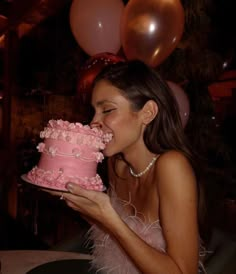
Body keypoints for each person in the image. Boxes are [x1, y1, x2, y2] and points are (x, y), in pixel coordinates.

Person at [55, 60, 205, 273]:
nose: (93, 122)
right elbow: (106, 228)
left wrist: (111, 219)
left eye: (107, 110)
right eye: (94, 111)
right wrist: (72, 197)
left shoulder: (172, 166)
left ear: (148, 112)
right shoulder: (117, 164)